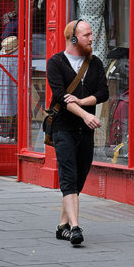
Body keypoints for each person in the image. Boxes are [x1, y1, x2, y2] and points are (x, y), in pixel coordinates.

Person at [46, 19, 108, 246]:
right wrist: (86, 114)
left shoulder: (96, 63)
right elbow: (61, 97)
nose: (92, 39)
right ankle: (74, 227)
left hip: (86, 131)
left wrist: (82, 101)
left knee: (79, 178)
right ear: (73, 39)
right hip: (64, 128)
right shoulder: (55, 63)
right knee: (69, 177)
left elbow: (103, 93)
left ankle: (62, 226)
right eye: (87, 35)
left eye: (91, 34)